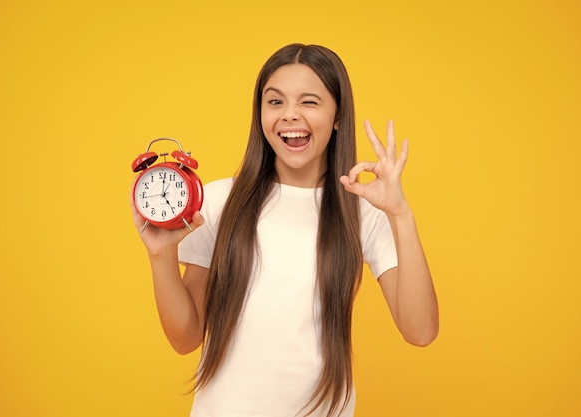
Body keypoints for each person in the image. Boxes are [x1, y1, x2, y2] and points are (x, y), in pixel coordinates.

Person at [131, 43, 439, 417]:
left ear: (338, 115)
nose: (290, 115)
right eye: (275, 102)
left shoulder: (363, 210)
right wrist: (161, 255)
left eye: (309, 102)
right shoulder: (218, 201)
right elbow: (185, 338)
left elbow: (420, 331)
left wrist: (400, 214)